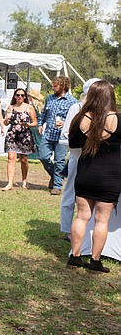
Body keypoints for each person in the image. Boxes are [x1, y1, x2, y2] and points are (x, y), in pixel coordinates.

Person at [67, 80, 120, 273]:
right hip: (110, 177)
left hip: (86, 174)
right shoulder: (118, 119)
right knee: (102, 220)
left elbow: (73, 146)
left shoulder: (80, 119)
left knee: (81, 216)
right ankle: (95, 261)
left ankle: (75, 256)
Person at [60, 78, 101, 240]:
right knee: (70, 193)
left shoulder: (103, 111)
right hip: (77, 157)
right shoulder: (76, 108)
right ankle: (67, 229)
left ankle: (88, 230)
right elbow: (65, 134)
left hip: (97, 162)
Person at [38, 76, 77, 195]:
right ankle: (55, 176)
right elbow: (44, 113)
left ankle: (57, 186)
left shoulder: (72, 102)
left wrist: (65, 124)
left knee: (59, 160)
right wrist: (40, 124)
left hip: (62, 136)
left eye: (55, 85)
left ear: (63, 86)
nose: (52, 87)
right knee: (43, 156)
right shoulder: (49, 98)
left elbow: (75, 120)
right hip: (48, 133)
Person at [1, 89, 38, 190]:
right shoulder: (10, 107)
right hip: (12, 135)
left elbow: (35, 122)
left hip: (24, 135)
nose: (20, 97)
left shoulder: (29, 108)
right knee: (11, 158)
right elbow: (5, 123)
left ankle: (24, 180)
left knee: (24, 160)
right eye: (18, 95)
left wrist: (28, 125)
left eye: (22, 95)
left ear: (25, 96)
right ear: (15, 96)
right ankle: (10, 183)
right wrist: (6, 120)